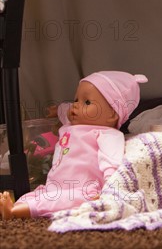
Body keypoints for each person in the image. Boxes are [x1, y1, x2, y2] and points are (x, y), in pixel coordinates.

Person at [0, 71, 147, 220]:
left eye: (87, 102)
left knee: (58, 201)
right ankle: (16, 208)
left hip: (84, 190)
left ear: (112, 114)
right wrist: (57, 109)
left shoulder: (107, 134)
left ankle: (16, 212)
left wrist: (110, 191)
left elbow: (112, 163)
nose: (76, 105)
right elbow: (66, 109)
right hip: (54, 187)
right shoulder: (72, 122)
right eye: (76, 99)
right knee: (32, 196)